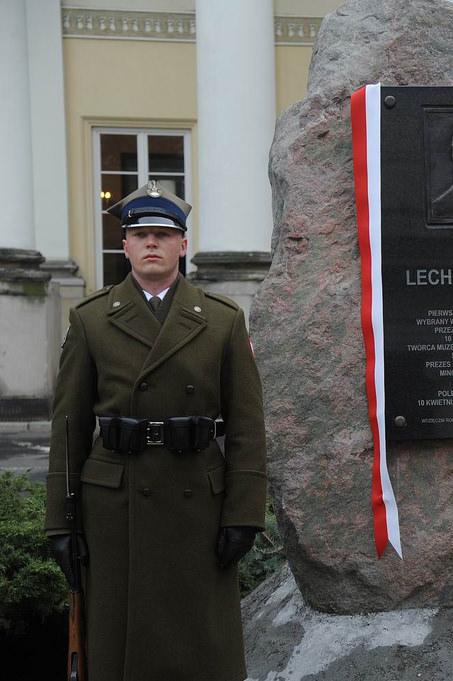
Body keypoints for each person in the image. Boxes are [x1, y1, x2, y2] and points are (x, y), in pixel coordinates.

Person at [45, 180, 268, 681]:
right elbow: (68, 428)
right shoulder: (91, 320)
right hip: (116, 505)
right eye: (140, 234)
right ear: (124, 245)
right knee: (122, 647)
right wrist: (61, 521)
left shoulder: (221, 320)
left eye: (163, 235)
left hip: (198, 505)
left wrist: (245, 513)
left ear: (182, 245)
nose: (151, 243)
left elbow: (249, 425)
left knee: (199, 649)